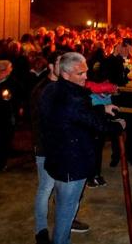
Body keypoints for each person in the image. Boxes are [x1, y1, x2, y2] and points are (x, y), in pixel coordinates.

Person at [39, 52, 126, 244]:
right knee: (66, 212)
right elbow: (93, 123)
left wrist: (102, 109)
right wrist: (118, 125)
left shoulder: (52, 90)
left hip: (58, 158)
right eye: (80, 73)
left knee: (63, 206)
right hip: (72, 161)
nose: (86, 76)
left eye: (86, 71)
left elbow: (74, 115)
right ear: (66, 74)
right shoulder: (73, 96)